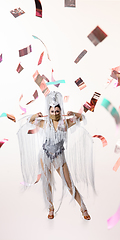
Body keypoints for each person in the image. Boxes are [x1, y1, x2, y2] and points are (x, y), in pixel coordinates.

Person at [17, 91, 95, 220]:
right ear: (49, 111)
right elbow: (29, 121)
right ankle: (50, 208)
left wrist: (74, 114)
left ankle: (83, 208)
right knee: (47, 183)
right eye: (52, 111)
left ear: (60, 111)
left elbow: (81, 118)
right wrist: (36, 115)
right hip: (45, 155)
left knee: (69, 184)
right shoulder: (44, 123)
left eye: (57, 111)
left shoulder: (65, 123)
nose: (55, 114)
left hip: (59, 156)